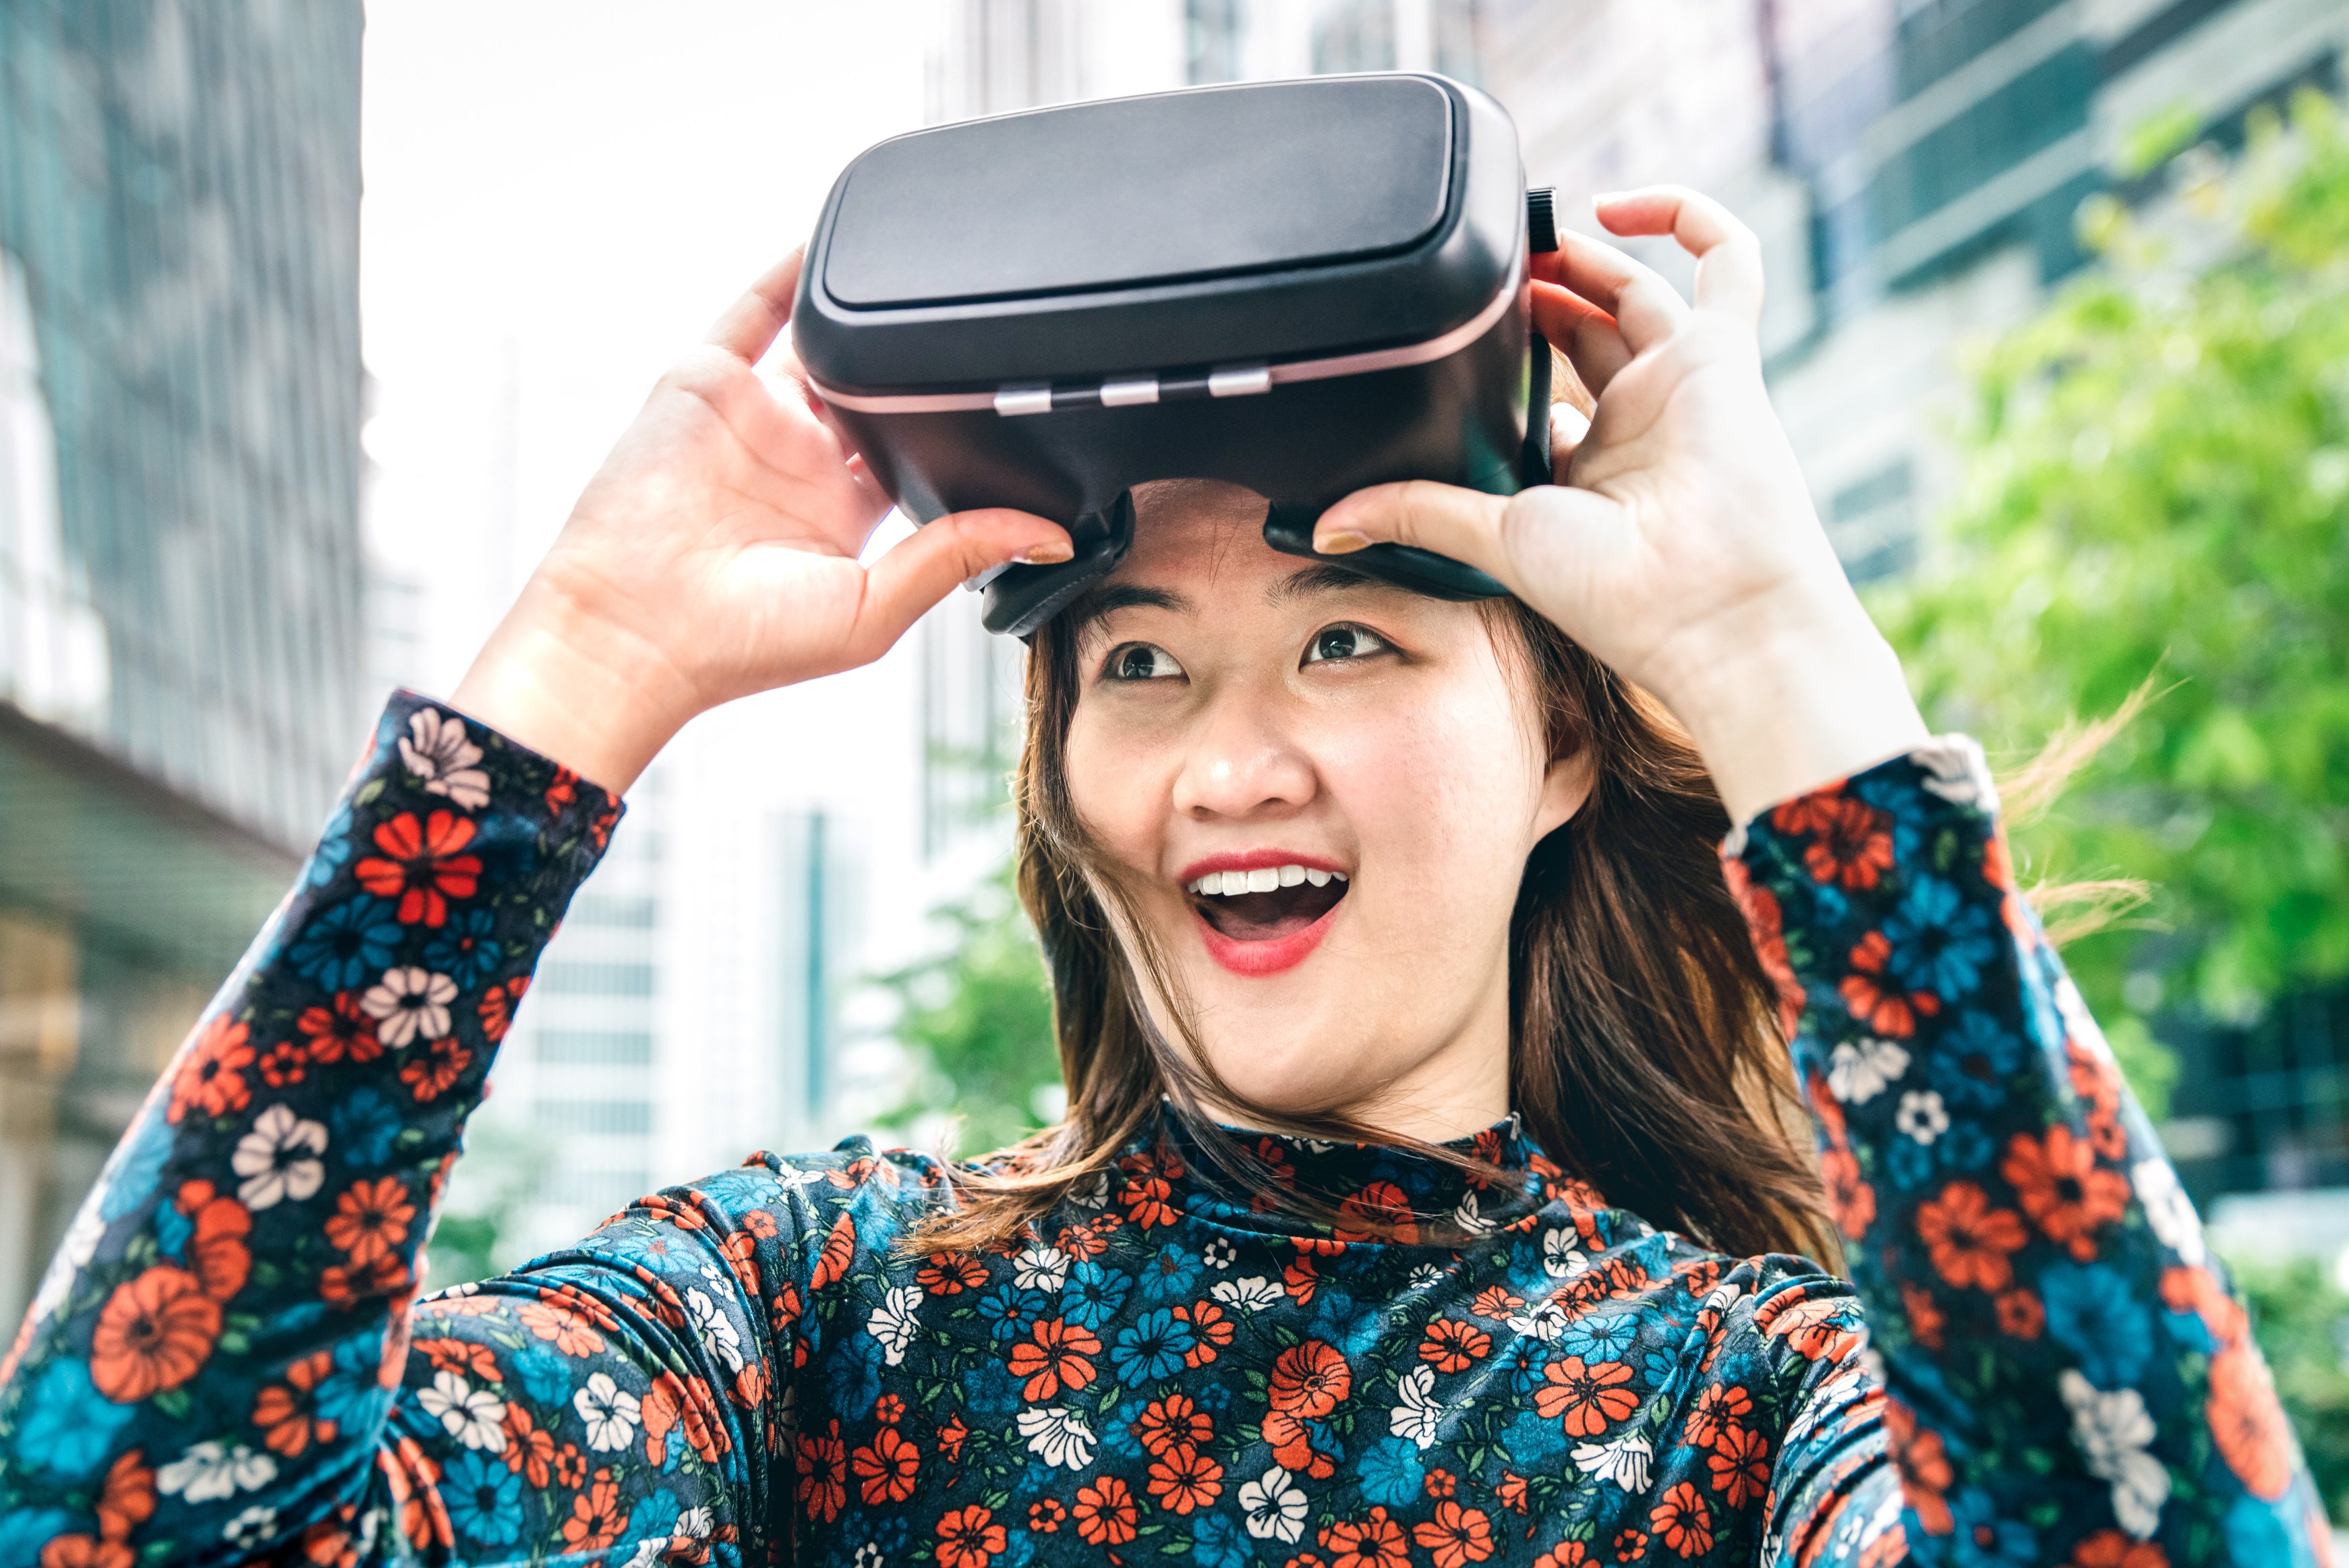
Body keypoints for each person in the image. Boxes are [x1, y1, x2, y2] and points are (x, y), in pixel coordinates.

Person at [0, 188, 2322, 1568]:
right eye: (1135, 662)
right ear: (1062, 776)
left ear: (1560, 741)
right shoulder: (818, 1309)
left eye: (1348, 634)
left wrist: (1769, 654)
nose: (1227, 758)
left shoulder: (1754, 1411)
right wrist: (576, 677)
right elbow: (128, 1530)